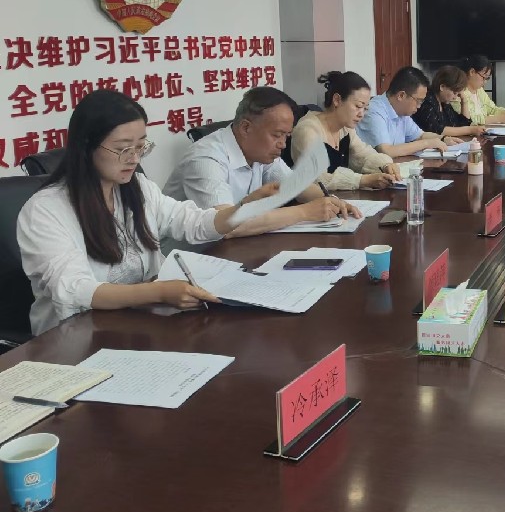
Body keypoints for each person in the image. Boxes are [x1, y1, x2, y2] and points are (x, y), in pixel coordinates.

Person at [17, 91, 248, 334]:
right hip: (76, 335)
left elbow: (192, 222)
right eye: (123, 149)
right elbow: (74, 289)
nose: (135, 159)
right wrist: (159, 292)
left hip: (141, 322)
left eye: (140, 147)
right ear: (86, 146)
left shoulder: (137, 187)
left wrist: (246, 209)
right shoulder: (45, 210)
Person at [164, 86, 359, 234]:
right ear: (246, 128)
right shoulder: (206, 159)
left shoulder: (261, 151)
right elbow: (226, 226)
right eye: (277, 135)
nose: (283, 144)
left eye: (286, 136)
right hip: (183, 261)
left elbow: (297, 187)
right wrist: (305, 212)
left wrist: (333, 202)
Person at [290, 71, 401, 191]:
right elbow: (316, 179)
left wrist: (385, 165)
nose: (361, 114)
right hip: (313, 200)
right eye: (358, 106)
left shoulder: (345, 128)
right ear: (337, 100)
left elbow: (362, 154)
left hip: (340, 198)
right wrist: (362, 180)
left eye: (365, 108)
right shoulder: (308, 131)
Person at [355, 66, 456, 158]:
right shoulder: (374, 111)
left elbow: (420, 136)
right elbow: (386, 151)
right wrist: (427, 143)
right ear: (401, 96)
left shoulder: (401, 112)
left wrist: (443, 139)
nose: (419, 106)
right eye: (418, 101)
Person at [413, 66, 487, 139]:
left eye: (458, 93)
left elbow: (463, 123)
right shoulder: (427, 101)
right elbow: (436, 130)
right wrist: (470, 130)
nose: (455, 97)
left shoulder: (444, 103)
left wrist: (464, 100)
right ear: (442, 87)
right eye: (454, 93)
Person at [450, 54, 505, 125]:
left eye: (487, 78)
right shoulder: (457, 92)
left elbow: (492, 109)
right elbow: (469, 120)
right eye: (484, 77)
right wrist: (498, 119)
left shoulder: (479, 90)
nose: (485, 82)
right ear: (472, 72)